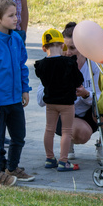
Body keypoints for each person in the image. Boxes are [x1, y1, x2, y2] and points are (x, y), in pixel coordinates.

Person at [34, 28, 84, 173]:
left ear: (44, 48)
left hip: (50, 103)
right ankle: (63, 161)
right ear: (62, 45)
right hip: (67, 103)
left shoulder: (41, 65)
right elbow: (78, 80)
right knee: (66, 131)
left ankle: (49, 158)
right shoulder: (68, 63)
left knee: (49, 129)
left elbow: (43, 81)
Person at [0, 0, 31, 185]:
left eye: (16, 14)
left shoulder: (17, 38)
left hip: (15, 100)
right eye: (11, 16)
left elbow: (22, 65)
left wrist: (25, 89)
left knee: (19, 136)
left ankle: (12, 167)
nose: (16, 18)